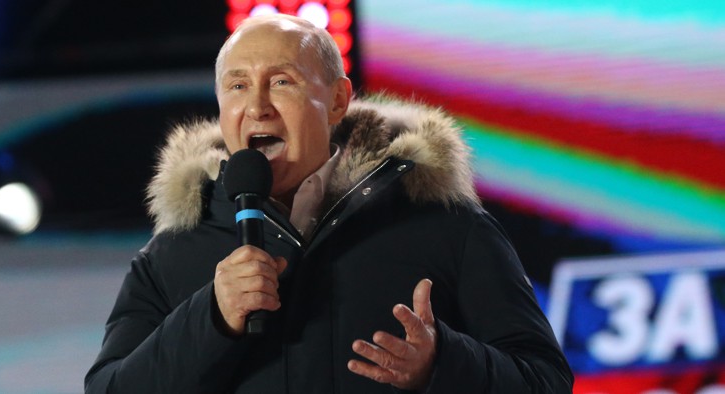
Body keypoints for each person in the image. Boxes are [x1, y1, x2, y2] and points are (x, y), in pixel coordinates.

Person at [85, 14, 573, 393]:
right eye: (237, 86)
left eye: (282, 81)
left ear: (338, 100)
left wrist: (441, 364)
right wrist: (211, 317)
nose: (257, 106)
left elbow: (546, 381)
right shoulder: (172, 252)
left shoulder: (445, 223)